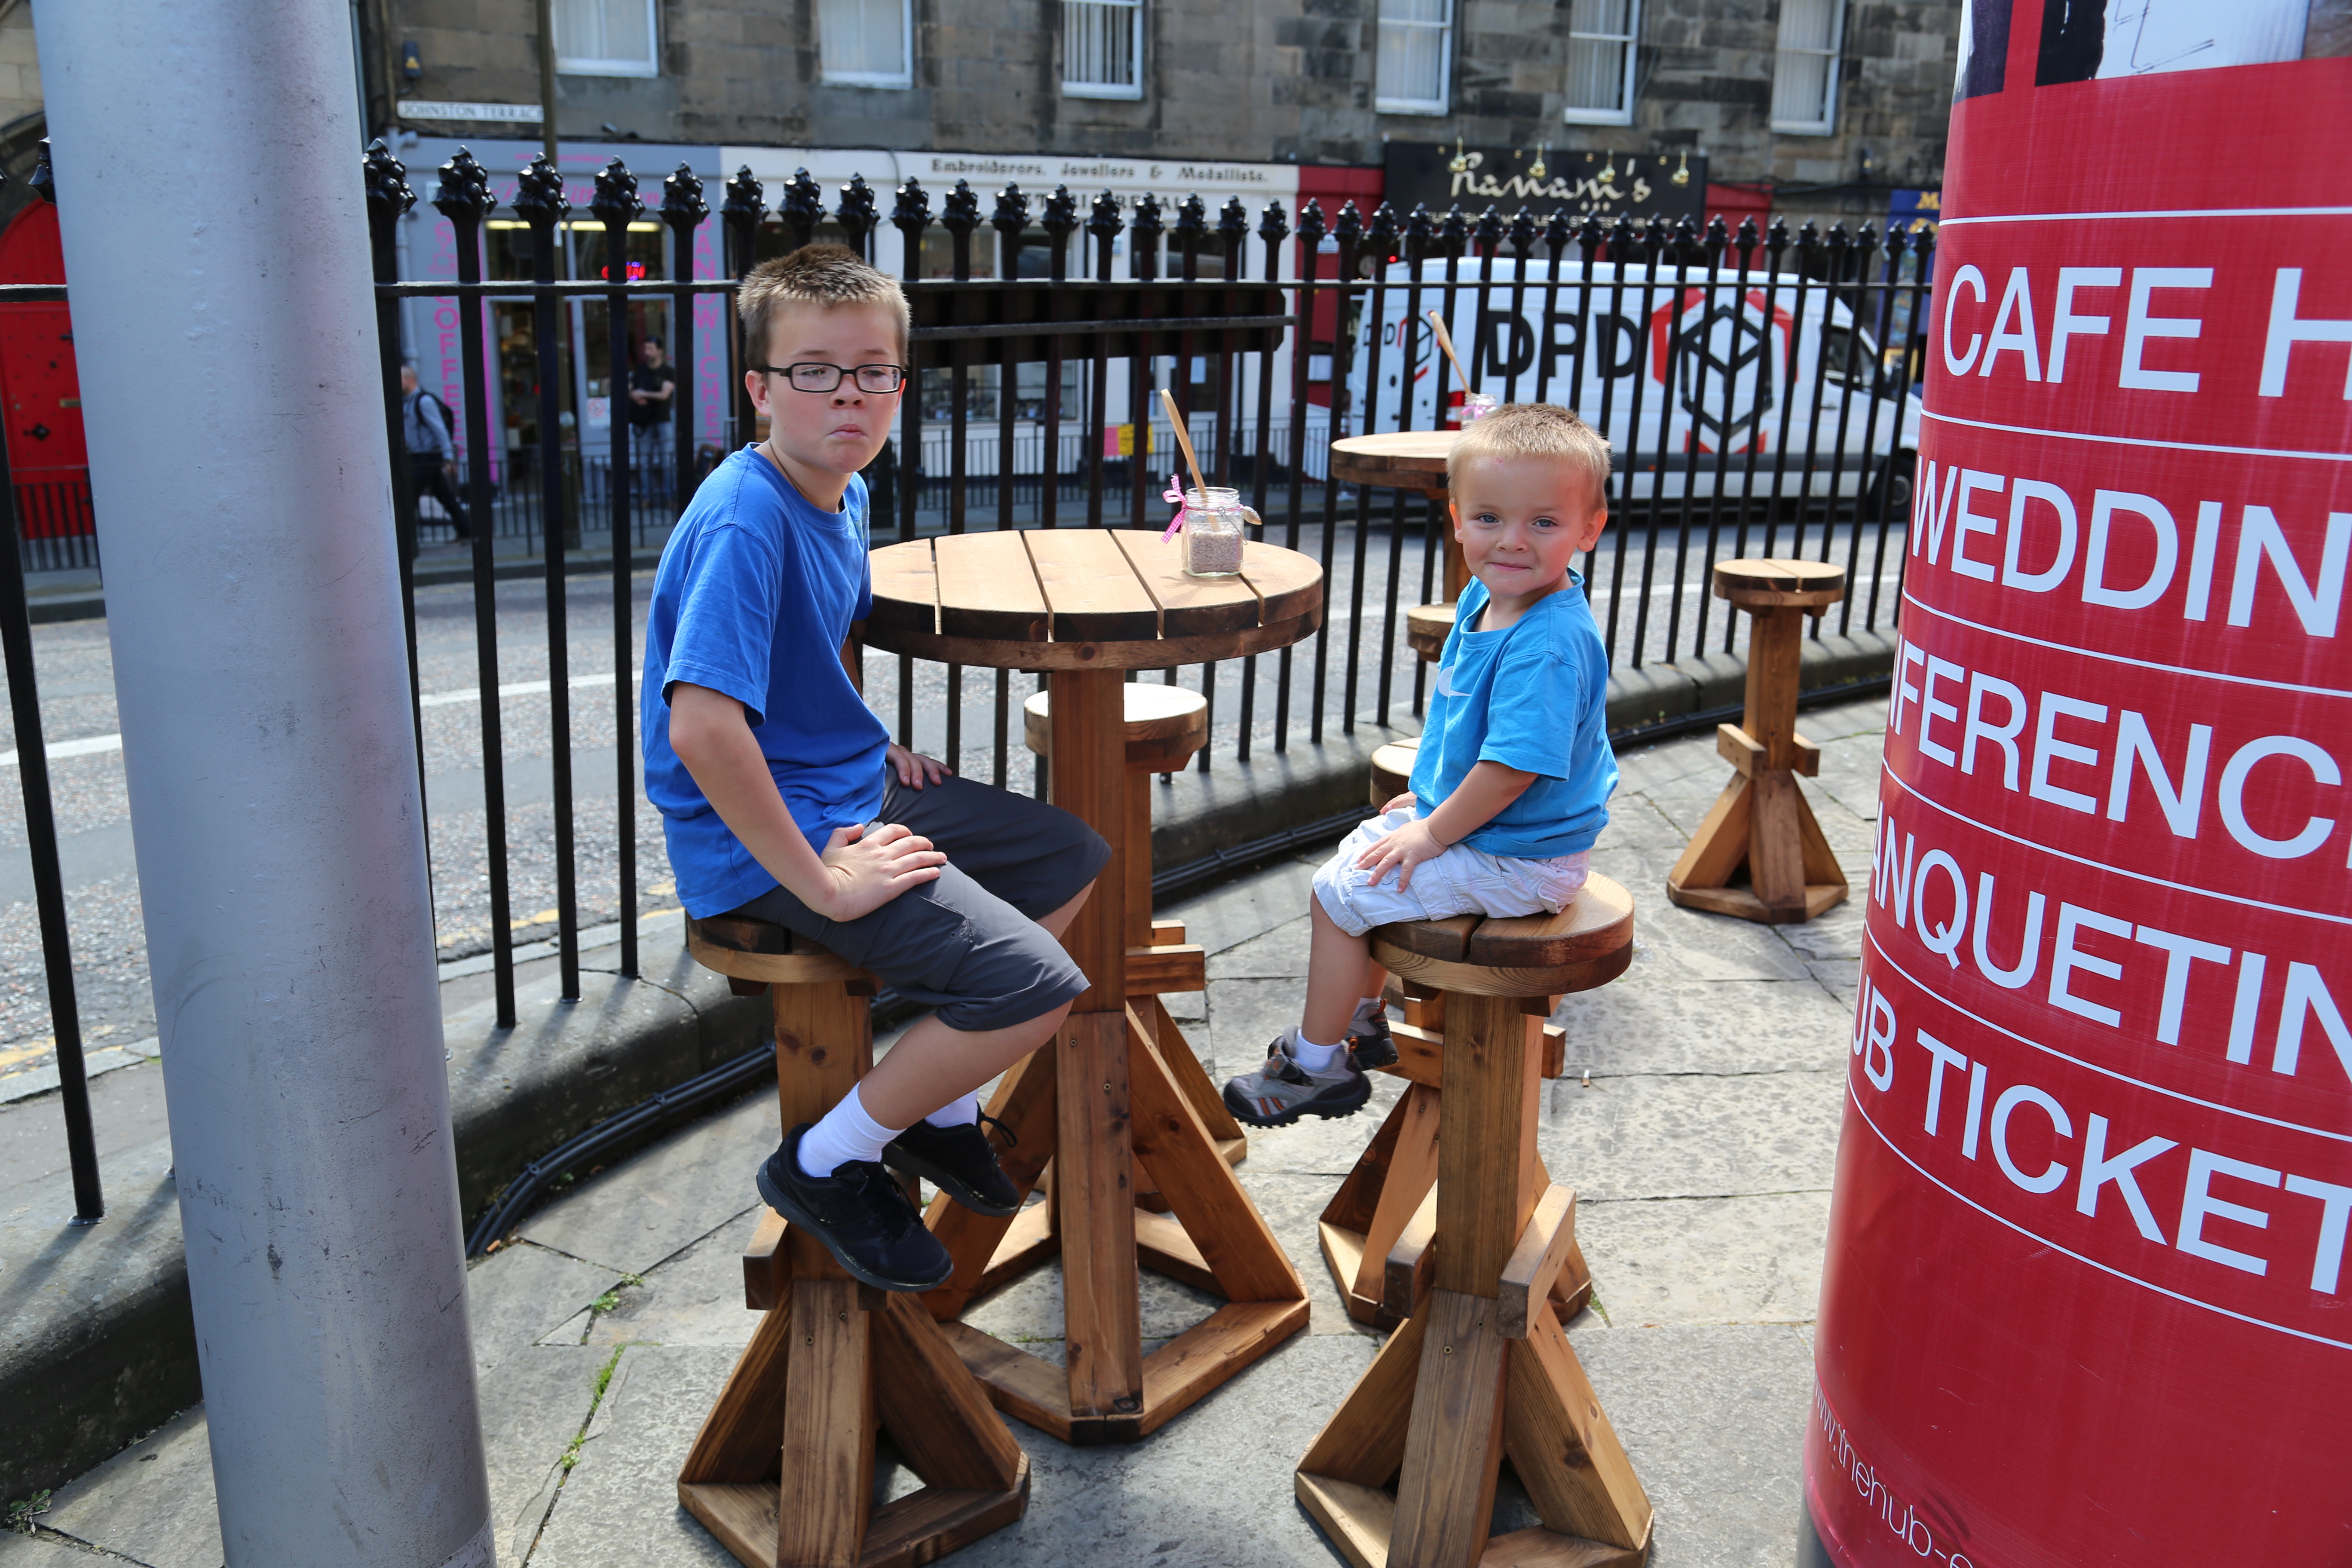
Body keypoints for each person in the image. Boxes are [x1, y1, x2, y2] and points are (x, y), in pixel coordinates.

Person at [640, 245, 1109, 1292]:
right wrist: (823, 883)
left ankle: (937, 1113)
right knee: (1036, 987)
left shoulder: (838, 491)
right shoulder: (745, 517)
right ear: (759, 388)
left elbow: (809, 652)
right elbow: (702, 731)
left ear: (900, 381)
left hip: (841, 783)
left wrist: (862, 734)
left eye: (872, 369)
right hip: (766, 842)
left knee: (1071, 855)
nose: (847, 393)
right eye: (813, 369)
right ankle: (825, 1161)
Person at [1222, 403, 1617, 1126]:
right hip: (1493, 831)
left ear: (1588, 529)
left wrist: (1435, 832)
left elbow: (1510, 771)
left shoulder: (1548, 641)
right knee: (1358, 859)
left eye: (1543, 523)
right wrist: (1428, 803)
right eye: (1490, 518)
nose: (1511, 542)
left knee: (1339, 890)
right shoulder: (1485, 594)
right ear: (1459, 519)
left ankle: (1317, 1067)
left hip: (1524, 857)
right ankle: (1364, 1020)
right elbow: (1464, 735)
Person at [399, 364, 470, 541]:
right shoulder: (408, 401)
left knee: (409, 496)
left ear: (410, 380)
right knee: (444, 496)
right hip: (419, 455)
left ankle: (404, 539)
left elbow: (440, 431)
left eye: (399, 379)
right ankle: (466, 531)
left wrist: (448, 457)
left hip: (428, 457)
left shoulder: (424, 401)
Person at [628, 335, 677, 493]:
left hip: (663, 419)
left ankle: (670, 496)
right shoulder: (640, 371)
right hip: (644, 422)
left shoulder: (668, 372)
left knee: (667, 460)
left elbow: (664, 395)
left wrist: (643, 394)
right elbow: (630, 389)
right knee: (644, 462)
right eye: (645, 349)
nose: (647, 352)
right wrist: (636, 395)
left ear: (660, 351)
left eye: (651, 349)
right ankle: (646, 497)